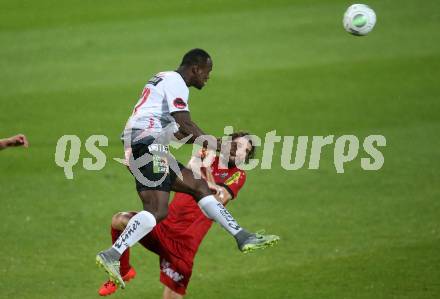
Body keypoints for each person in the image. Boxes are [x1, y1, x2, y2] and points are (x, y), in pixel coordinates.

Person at [96, 49, 279, 288]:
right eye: (207, 72)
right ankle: (112, 254)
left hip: (145, 145)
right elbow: (186, 123)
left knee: (199, 186)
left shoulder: (163, 81)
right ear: (195, 69)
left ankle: (242, 236)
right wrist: (220, 145)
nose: (208, 77)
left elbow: (182, 132)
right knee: (158, 211)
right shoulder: (176, 82)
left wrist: (213, 143)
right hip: (146, 145)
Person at [98, 132, 275, 297]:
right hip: (162, 227)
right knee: (119, 220)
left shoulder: (238, 175)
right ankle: (124, 270)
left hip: (183, 246)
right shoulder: (206, 154)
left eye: (246, 150)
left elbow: (219, 200)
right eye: (237, 144)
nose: (240, 151)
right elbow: (187, 172)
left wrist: (208, 177)